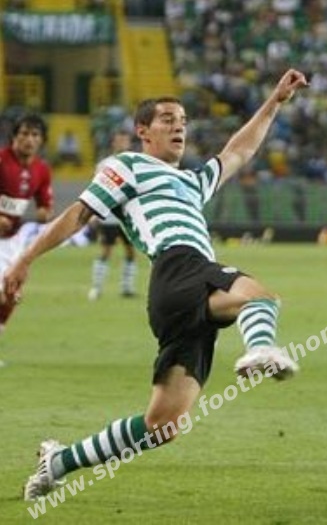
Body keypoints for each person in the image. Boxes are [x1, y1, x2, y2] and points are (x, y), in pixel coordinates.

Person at [3, 68, 308, 501]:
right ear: (142, 131)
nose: (179, 126)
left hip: (177, 295)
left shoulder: (193, 181)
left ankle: (59, 462)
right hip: (178, 266)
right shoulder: (126, 166)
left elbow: (238, 151)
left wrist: (274, 102)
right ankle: (259, 349)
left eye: (182, 120)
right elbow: (79, 213)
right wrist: (25, 259)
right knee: (259, 297)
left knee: (163, 424)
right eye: (167, 119)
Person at [0, 113, 53, 343]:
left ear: (42, 140)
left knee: (12, 293)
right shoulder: (2, 160)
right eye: (24, 133)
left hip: (12, 240)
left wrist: (44, 212)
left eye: (35, 135)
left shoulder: (41, 169)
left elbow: (44, 204)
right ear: (14, 136)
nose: (29, 139)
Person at [88, 130, 137, 300]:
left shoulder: (135, 163)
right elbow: (96, 190)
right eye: (119, 140)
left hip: (128, 216)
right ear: (113, 143)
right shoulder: (104, 165)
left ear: (129, 143)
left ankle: (127, 288)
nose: (122, 143)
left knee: (131, 251)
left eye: (125, 140)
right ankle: (96, 288)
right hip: (109, 216)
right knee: (106, 250)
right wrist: (94, 213)